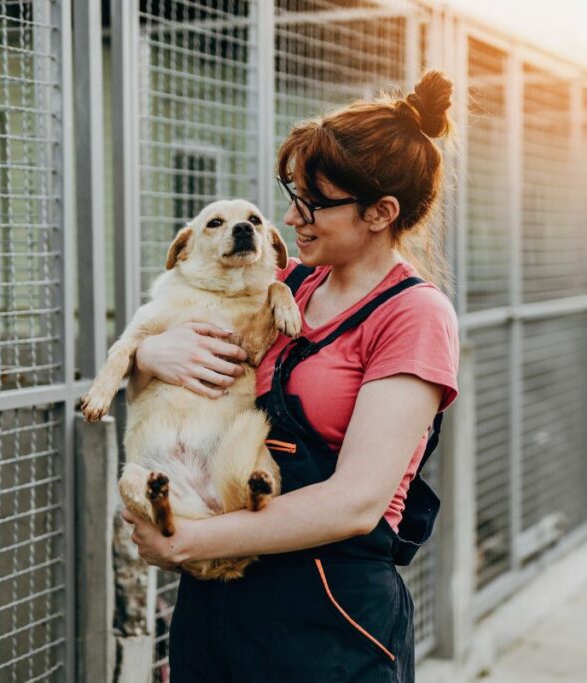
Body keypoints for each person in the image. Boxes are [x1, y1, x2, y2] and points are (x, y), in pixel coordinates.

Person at [121, 70, 460, 683]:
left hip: (326, 610)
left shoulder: (415, 315)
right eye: (292, 192)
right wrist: (150, 356)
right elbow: (181, 352)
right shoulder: (289, 285)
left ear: (381, 212)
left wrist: (190, 542)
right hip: (220, 597)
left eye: (313, 202)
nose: (290, 216)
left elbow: (357, 502)